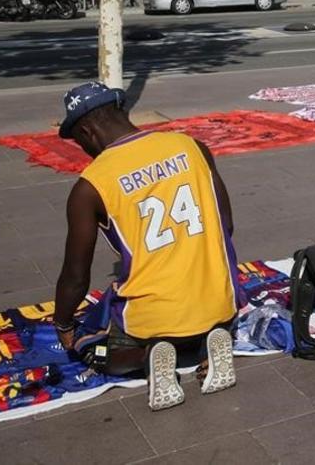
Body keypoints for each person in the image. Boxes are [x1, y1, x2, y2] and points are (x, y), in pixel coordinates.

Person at [52, 82, 240, 411]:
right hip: (218, 302)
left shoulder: (90, 185)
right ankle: (210, 347)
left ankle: (147, 355)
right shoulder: (190, 146)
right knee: (201, 320)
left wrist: (64, 324)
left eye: (79, 141)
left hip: (151, 318)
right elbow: (226, 225)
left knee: (89, 347)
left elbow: (75, 276)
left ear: (87, 132)